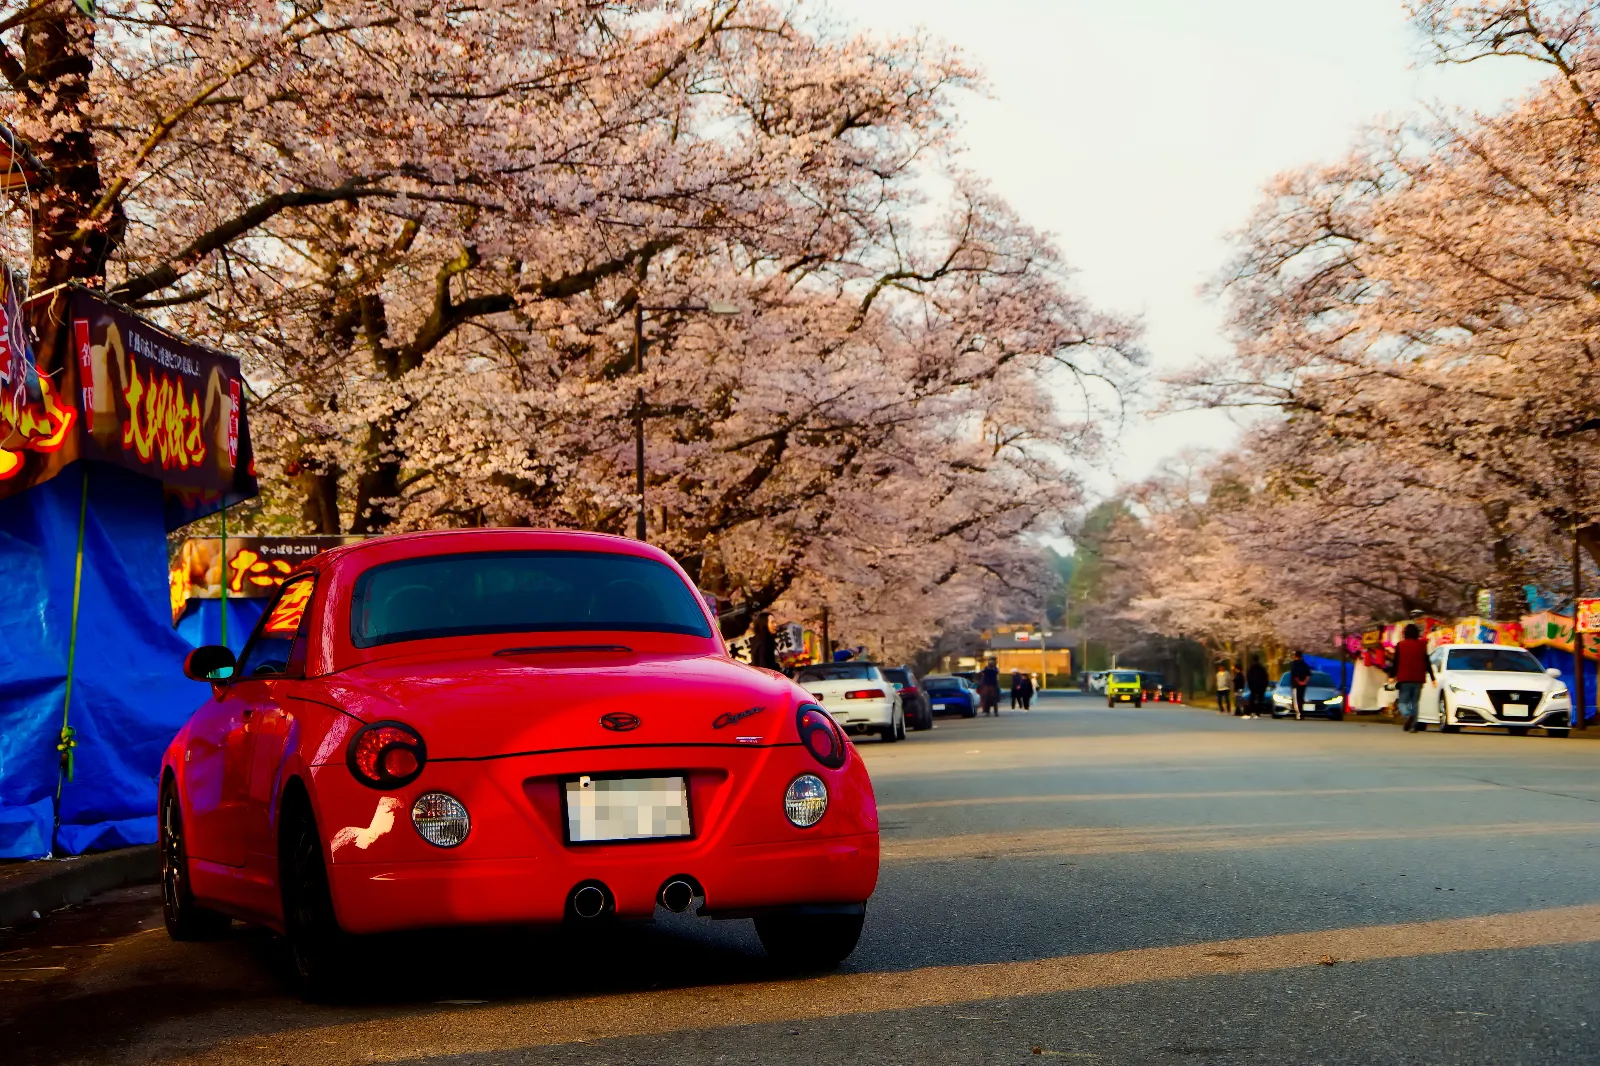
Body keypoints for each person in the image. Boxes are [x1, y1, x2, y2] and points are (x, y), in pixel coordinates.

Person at [1392, 623, 1435, 732]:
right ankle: (1413, 726)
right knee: (1415, 703)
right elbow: (1427, 662)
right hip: (1418, 678)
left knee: (1402, 702)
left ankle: (1408, 715)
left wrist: (1392, 675)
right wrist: (1433, 677)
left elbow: (1396, 662)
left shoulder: (1400, 645)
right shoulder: (1422, 645)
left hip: (1405, 678)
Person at [1289, 650, 1312, 720]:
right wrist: (1304, 682)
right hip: (1303, 685)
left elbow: (1294, 674)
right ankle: (1301, 713)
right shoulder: (1305, 664)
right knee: (1301, 699)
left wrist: (1298, 681)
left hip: (1296, 685)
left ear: (1295, 656)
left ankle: (1298, 713)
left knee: (1296, 699)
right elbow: (1308, 675)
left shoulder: (1294, 664)